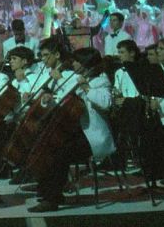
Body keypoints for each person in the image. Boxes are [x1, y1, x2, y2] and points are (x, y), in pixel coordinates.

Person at [27, 47, 115, 212]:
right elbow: (63, 100)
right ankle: (49, 192)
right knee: (48, 146)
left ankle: (51, 199)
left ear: (85, 64)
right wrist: (48, 99)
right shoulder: (77, 78)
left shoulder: (101, 80)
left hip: (92, 137)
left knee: (59, 152)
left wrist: (87, 88)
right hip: (75, 132)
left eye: (76, 61)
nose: (73, 63)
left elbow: (106, 103)